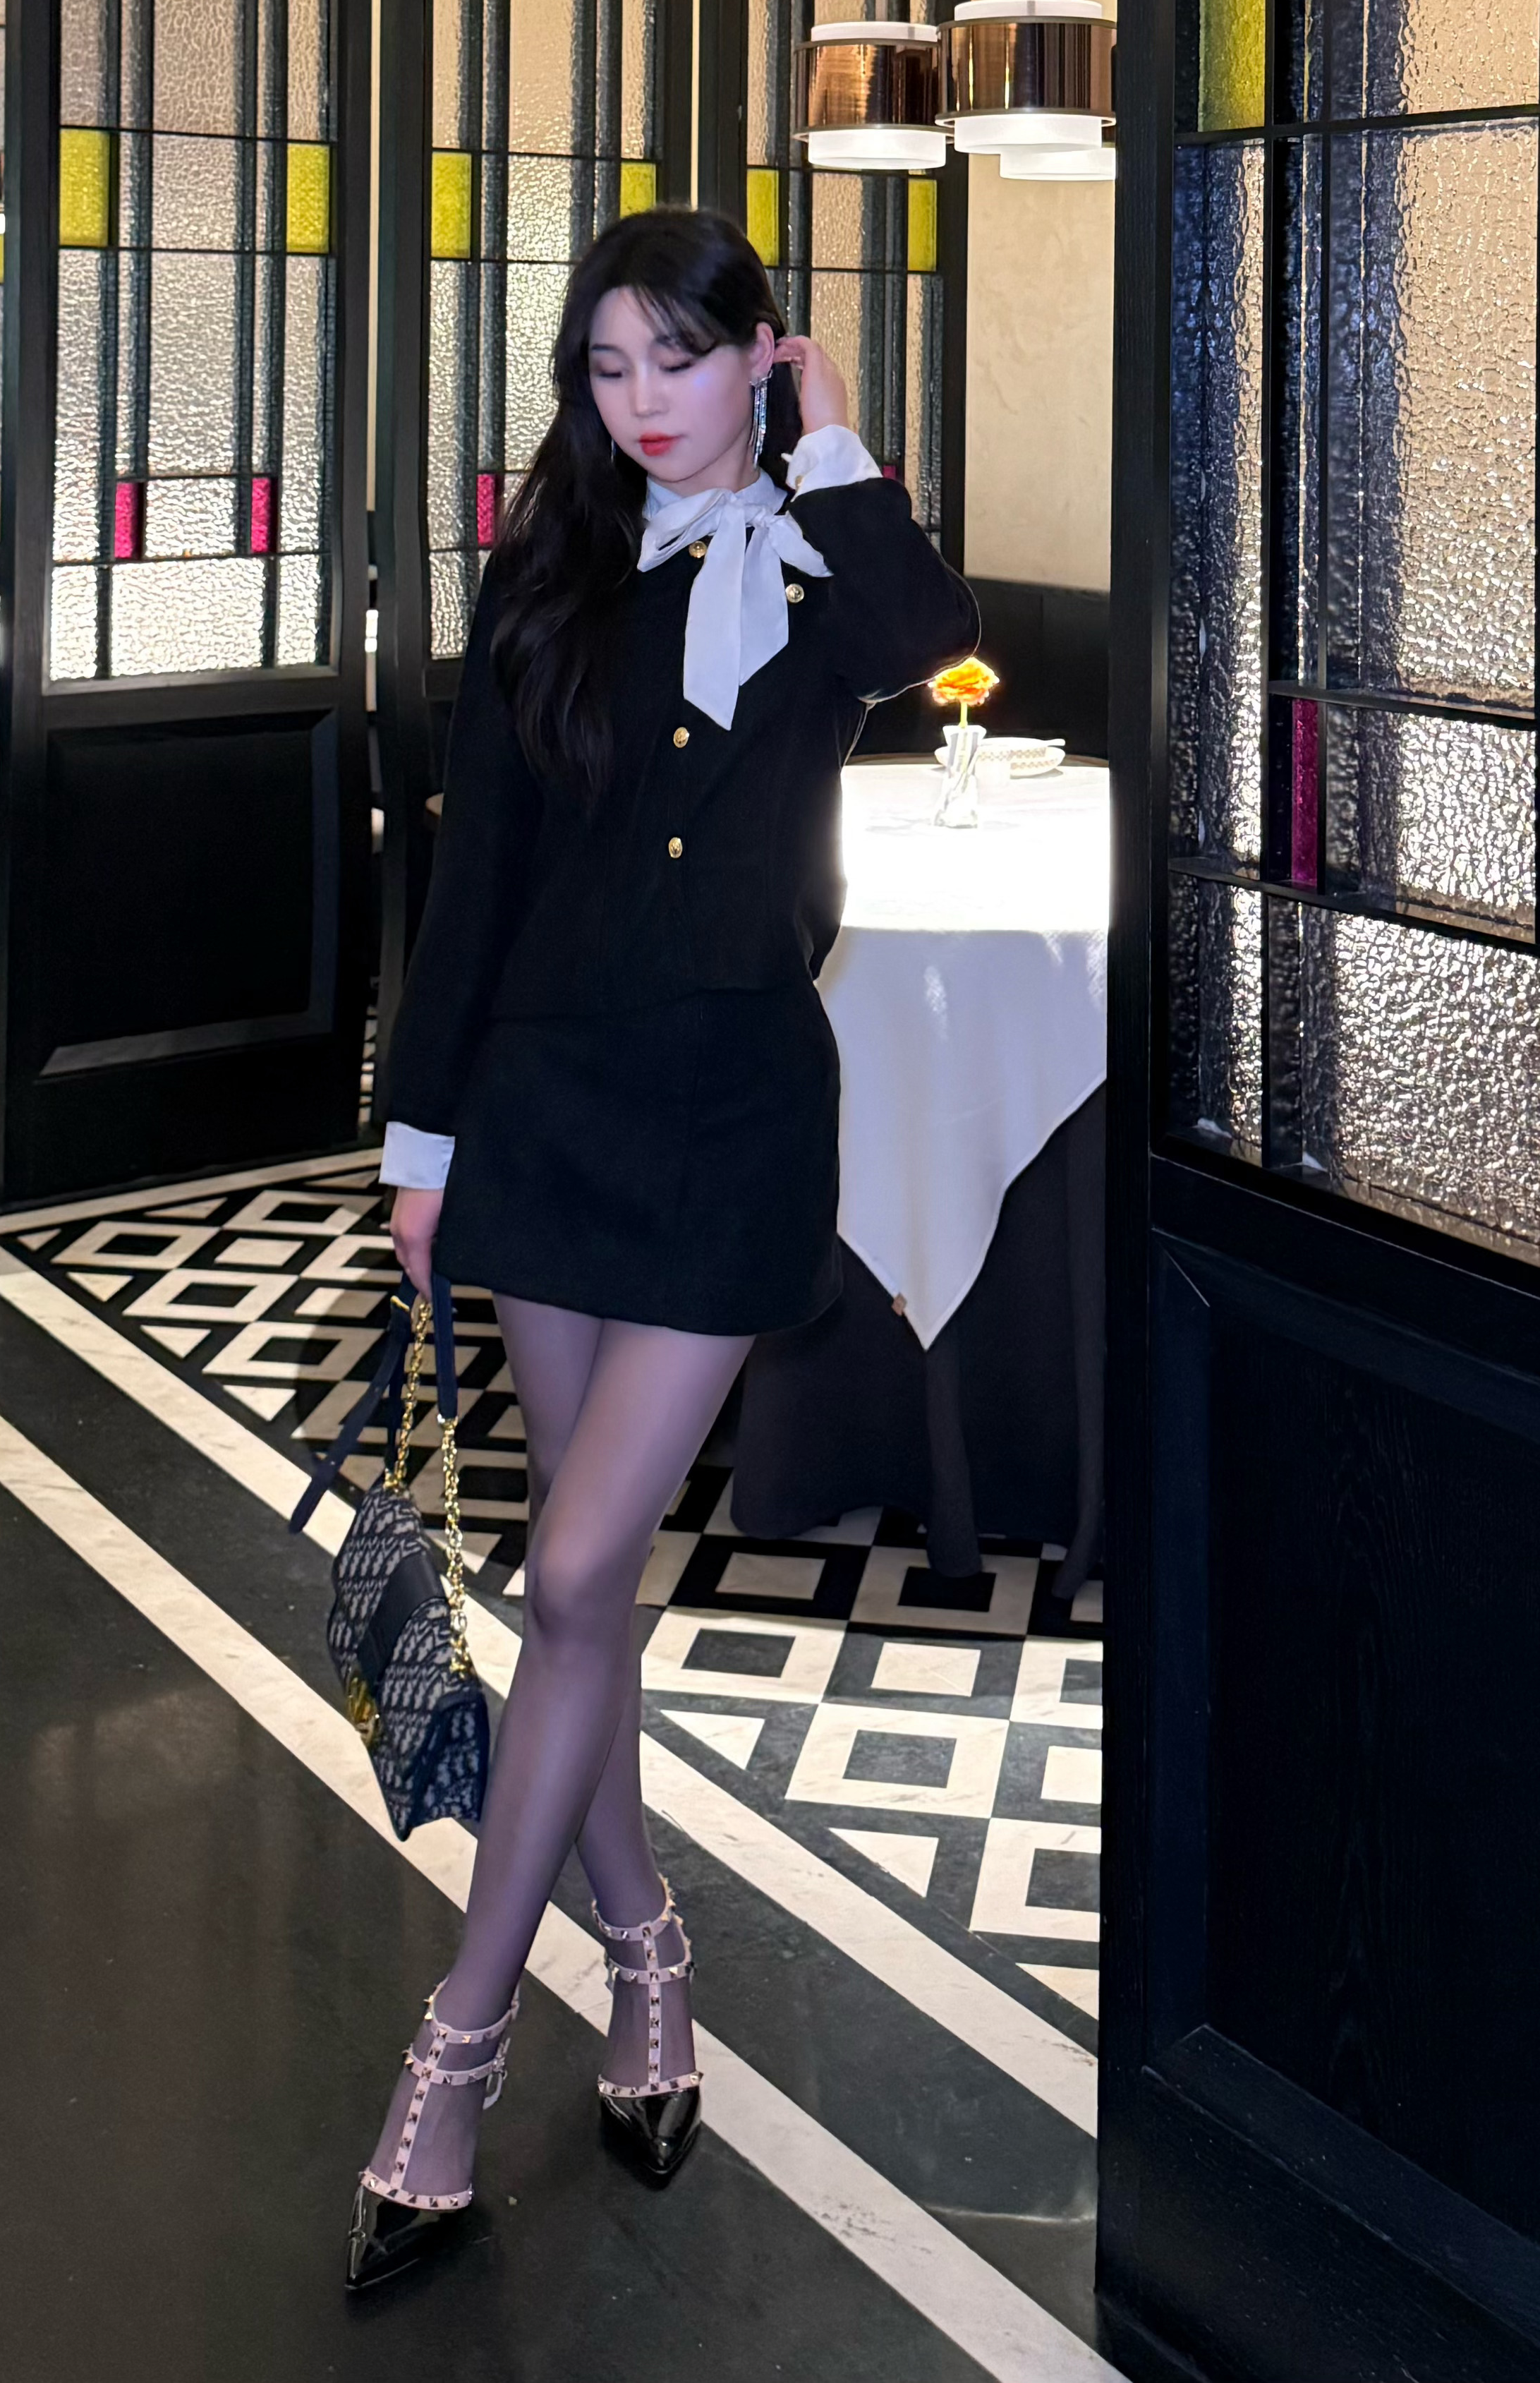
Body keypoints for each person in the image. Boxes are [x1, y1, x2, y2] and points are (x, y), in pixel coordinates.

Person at [347, 202, 979, 2289]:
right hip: (549, 1116)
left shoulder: (821, 558)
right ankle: (647, 1949)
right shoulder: (550, 572)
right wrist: (423, 1137)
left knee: (568, 1575)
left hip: (729, 1131)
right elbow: (478, 875)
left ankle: (455, 2048)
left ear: (757, 357)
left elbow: (926, 633)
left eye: (680, 361)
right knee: (584, 1600)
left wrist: (833, 436)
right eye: (605, 368)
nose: (637, 403)